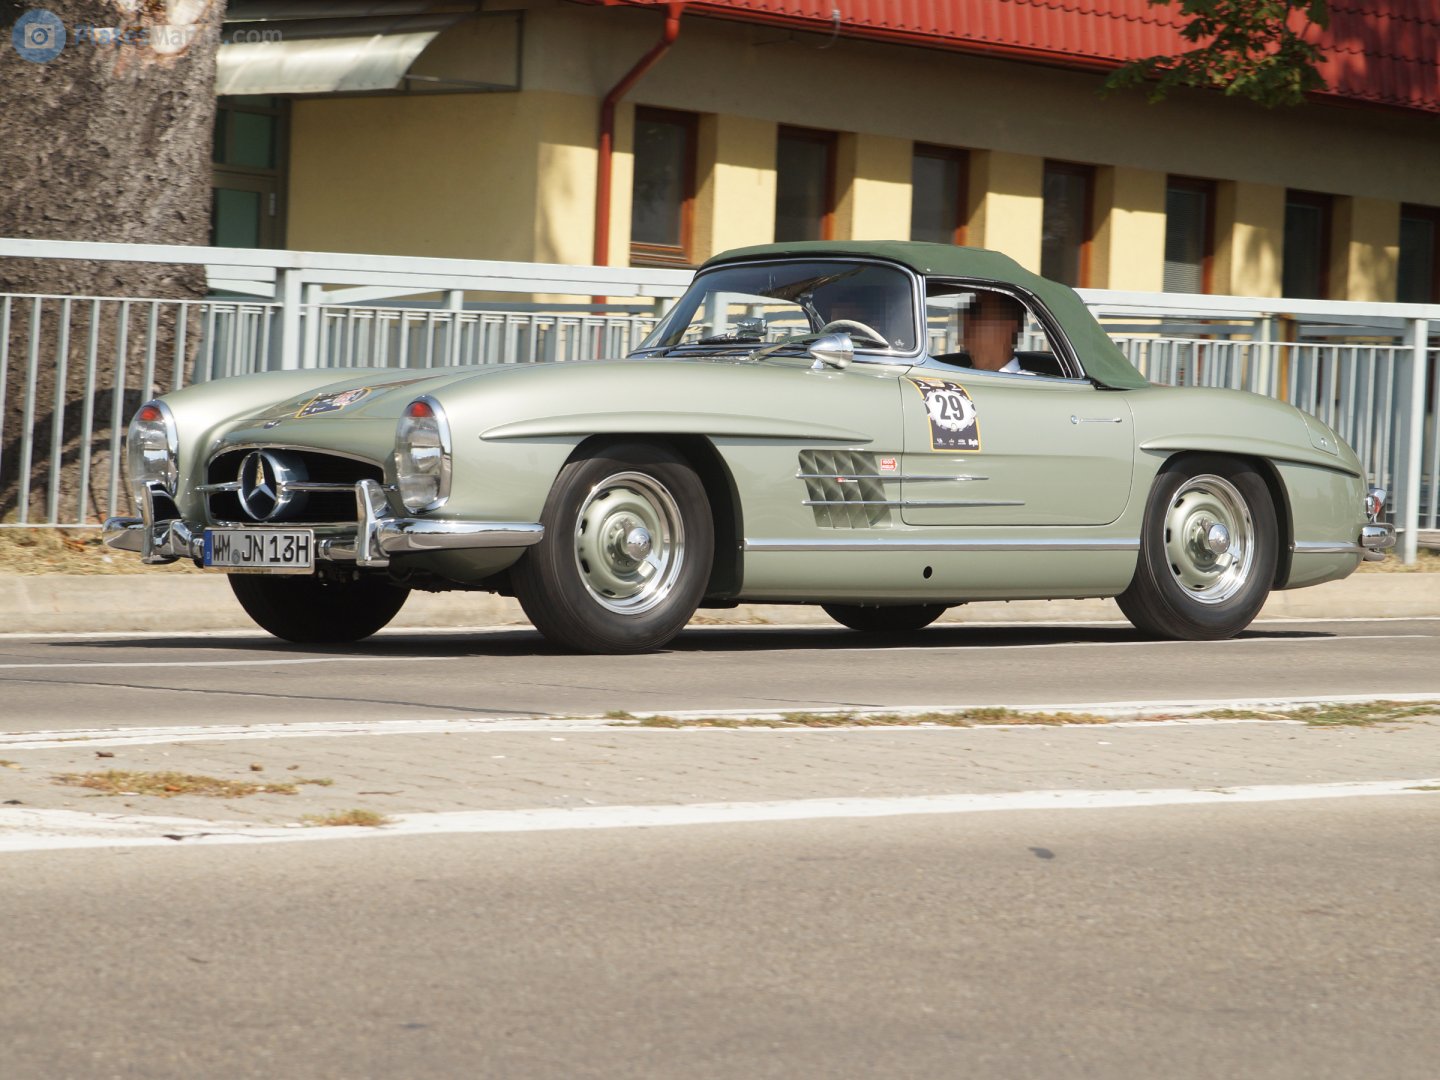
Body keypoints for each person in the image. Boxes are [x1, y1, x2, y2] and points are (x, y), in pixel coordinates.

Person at [962, 291, 1030, 373]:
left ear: (1010, 326)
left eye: (977, 315)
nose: (965, 324)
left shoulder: (1031, 384)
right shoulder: (951, 380)